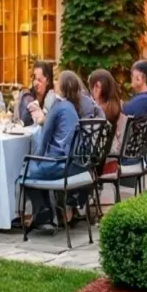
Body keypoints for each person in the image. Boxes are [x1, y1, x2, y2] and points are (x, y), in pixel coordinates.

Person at [24, 71, 88, 232]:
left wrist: (35, 159)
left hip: (58, 165)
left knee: (25, 171)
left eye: (58, 81)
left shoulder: (58, 106)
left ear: (62, 87)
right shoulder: (72, 107)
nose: (55, 84)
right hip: (74, 165)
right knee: (34, 168)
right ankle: (49, 212)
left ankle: (44, 214)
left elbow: (44, 138)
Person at [89, 69, 126, 170]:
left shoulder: (97, 112)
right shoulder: (118, 107)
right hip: (114, 160)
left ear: (97, 87)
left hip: (100, 165)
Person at [17, 61, 57, 126]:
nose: (36, 83)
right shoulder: (27, 97)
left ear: (48, 81)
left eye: (39, 80)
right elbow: (24, 121)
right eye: (34, 79)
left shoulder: (51, 96)